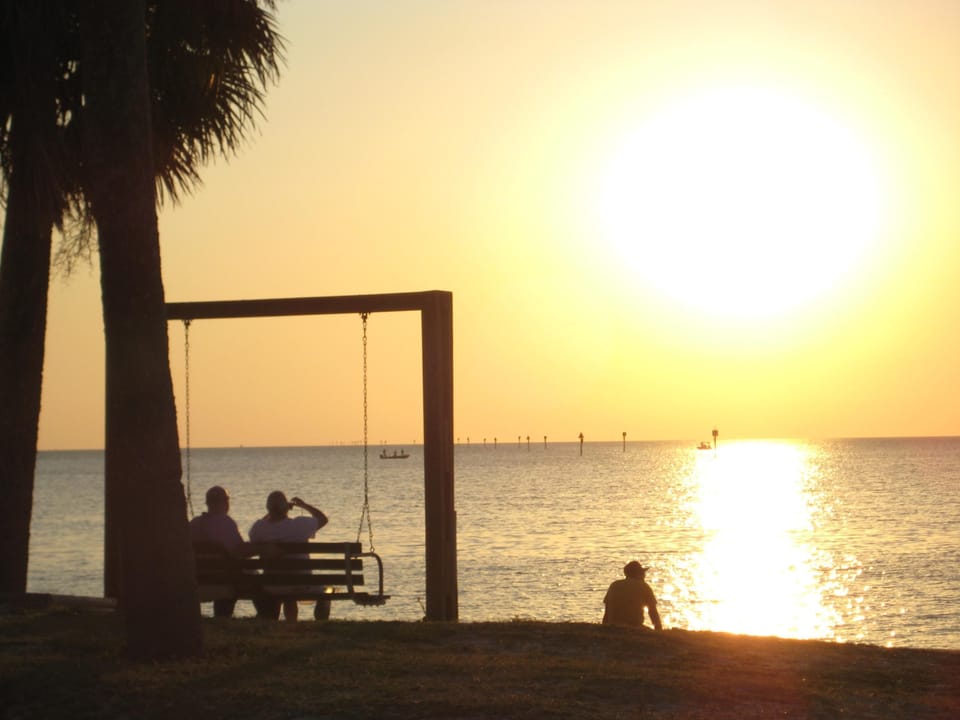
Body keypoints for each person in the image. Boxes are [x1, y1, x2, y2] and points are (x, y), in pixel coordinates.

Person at [249, 490, 329, 621]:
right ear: (285, 508)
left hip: (272, 585)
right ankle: (320, 623)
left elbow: (266, 522)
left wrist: (271, 512)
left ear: (268, 509)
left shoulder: (258, 529)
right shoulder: (299, 525)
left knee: (284, 587)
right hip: (301, 584)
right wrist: (303, 505)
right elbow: (322, 519)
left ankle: (289, 624)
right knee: (325, 591)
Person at [189, 485, 246, 617]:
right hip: (223, 584)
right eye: (227, 499)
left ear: (207, 503)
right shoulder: (226, 523)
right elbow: (239, 551)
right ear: (225, 503)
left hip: (197, 583)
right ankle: (223, 617)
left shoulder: (194, 524)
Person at [602, 560, 663, 630]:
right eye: (642, 573)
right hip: (634, 626)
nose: (644, 575)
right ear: (638, 574)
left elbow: (607, 610)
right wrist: (659, 630)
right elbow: (652, 611)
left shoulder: (614, 585)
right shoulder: (644, 586)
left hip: (613, 626)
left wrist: (605, 628)